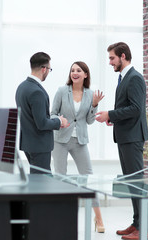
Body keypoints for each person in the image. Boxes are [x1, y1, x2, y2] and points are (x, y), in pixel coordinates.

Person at [95, 42, 148, 240]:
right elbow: (128, 108)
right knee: (132, 183)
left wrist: (110, 113)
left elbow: (136, 109)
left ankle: (144, 228)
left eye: (112, 58)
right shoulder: (124, 77)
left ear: (123, 56)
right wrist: (113, 118)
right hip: (126, 136)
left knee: (137, 183)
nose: (110, 62)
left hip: (133, 137)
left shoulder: (134, 78)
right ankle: (137, 223)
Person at [51, 61, 105, 232]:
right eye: (72, 70)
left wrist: (95, 105)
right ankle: (60, 217)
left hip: (80, 140)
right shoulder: (61, 91)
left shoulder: (90, 94)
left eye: (78, 70)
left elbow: (89, 121)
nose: (75, 73)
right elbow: (52, 113)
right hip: (60, 139)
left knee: (88, 177)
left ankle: (98, 218)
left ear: (85, 75)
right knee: (61, 178)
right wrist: (60, 120)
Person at [15, 52, 69, 174]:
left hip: (28, 144)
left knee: (36, 181)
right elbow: (42, 123)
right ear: (44, 69)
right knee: (42, 183)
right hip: (39, 145)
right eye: (49, 69)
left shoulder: (22, 87)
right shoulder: (36, 91)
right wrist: (59, 121)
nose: (49, 72)